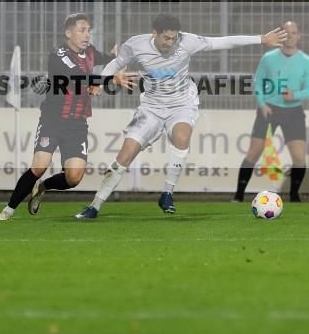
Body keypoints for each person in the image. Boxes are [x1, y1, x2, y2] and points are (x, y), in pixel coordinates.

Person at [75, 14, 287, 219]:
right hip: (151, 108)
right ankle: (95, 206)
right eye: (166, 38)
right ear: (154, 33)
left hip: (182, 104)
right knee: (125, 154)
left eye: (174, 38)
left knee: (182, 137)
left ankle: (167, 194)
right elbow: (116, 63)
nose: (170, 42)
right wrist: (98, 81)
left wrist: (260, 39)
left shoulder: (187, 41)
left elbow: (222, 42)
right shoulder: (136, 45)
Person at [0, 13, 136, 220]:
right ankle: (8, 211)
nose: (87, 34)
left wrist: (117, 57)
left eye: (88, 30)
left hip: (77, 124)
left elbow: (108, 60)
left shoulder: (90, 52)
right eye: (82, 30)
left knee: (73, 178)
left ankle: (42, 187)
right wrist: (109, 80)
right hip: (53, 120)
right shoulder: (58, 55)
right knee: (39, 165)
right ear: (68, 33)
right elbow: (78, 77)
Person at [234, 20, 309, 203]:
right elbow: (258, 82)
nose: (290, 36)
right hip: (269, 110)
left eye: (294, 33)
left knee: (299, 158)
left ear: (299, 35)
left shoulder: (305, 60)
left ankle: (294, 195)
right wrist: (262, 104)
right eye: (287, 33)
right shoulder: (269, 58)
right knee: (253, 153)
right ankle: (238, 195)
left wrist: (295, 95)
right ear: (282, 35)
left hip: (293, 112)